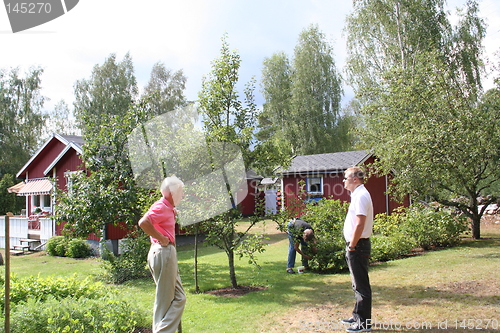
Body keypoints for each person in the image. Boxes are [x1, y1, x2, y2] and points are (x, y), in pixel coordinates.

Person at [138, 176, 186, 333]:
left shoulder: (167, 206)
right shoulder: (162, 206)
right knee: (164, 302)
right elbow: (143, 222)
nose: (183, 195)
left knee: (179, 298)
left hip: (166, 253)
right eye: (181, 191)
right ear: (172, 193)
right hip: (163, 252)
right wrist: (161, 238)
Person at [341, 167, 374, 332]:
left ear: (355, 179)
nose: (343, 180)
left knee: (361, 285)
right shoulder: (357, 194)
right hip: (357, 245)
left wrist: (352, 245)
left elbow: (360, 223)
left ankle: (364, 324)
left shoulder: (361, 195)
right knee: (357, 284)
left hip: (358, 246)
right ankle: (357, 316)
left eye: (346, 177)